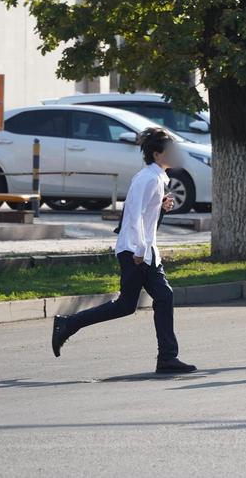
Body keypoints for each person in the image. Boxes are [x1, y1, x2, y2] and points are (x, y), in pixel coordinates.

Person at [50, 128, 196, 374]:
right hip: (134, 251)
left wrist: (161, 208)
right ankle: (68, 324)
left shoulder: (158, 177)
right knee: (128, 305)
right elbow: (133, 216)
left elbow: (146, 217)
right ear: (157, 154)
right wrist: (139, 250)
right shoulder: (148, 178)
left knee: (161, 297)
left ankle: (167, 358)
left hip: (145, 251)